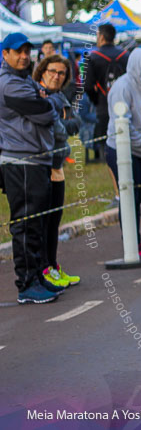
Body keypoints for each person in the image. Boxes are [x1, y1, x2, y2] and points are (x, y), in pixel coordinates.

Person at [0, 33, 61, 304]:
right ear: (5, 54)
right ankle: (26, 284)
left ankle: (37, 276)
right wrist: (44, 97)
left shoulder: (24, 80)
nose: (23, 56)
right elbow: (46, 112)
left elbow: (48, 104)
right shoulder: (9, 85)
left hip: (36, 159)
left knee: (37, 223)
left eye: (27, 51)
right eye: (17, 51)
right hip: (20, 161)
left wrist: (44, 97)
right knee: (25, 224)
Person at [105, 48, 141, 260]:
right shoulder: (122, 87)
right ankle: (132, 244)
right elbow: (123, 125)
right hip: (121, 149)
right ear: (137, 65)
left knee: (138, 198)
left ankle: (138, 243)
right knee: (128, 198)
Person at [34, 54, 81, 290]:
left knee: (55, 221)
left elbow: (75, 124)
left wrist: (64, 123)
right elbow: (60, 130)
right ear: (42, 70)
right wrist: (64, 123)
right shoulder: (39, 96)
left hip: (59, 164)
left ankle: (52, 265)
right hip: (43, 165)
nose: (56, 76)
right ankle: (43, 268)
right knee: (44, 221)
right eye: (52, 71)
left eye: (62, 73)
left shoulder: (60, 97)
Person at [83, 23, 129, 159]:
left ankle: (106, 161)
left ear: (101, 37)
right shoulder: (126, 55)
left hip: (104, 105)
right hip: (125, 103)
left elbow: (88, 86)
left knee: (107, 139)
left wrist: (96, 100)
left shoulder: (92, 57)